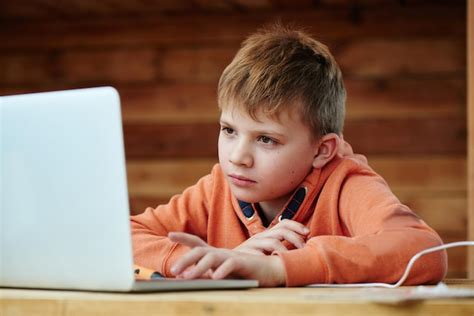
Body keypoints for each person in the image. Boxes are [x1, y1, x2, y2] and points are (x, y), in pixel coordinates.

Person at [130, 24, 447, 287]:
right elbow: (123, 236)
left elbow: (424, 249)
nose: (238, 157)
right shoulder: (216, 189)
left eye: (266, 139)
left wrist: (276, 268)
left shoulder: (347, 184)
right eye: (229, 130)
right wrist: (195, 261)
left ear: (322, 150)